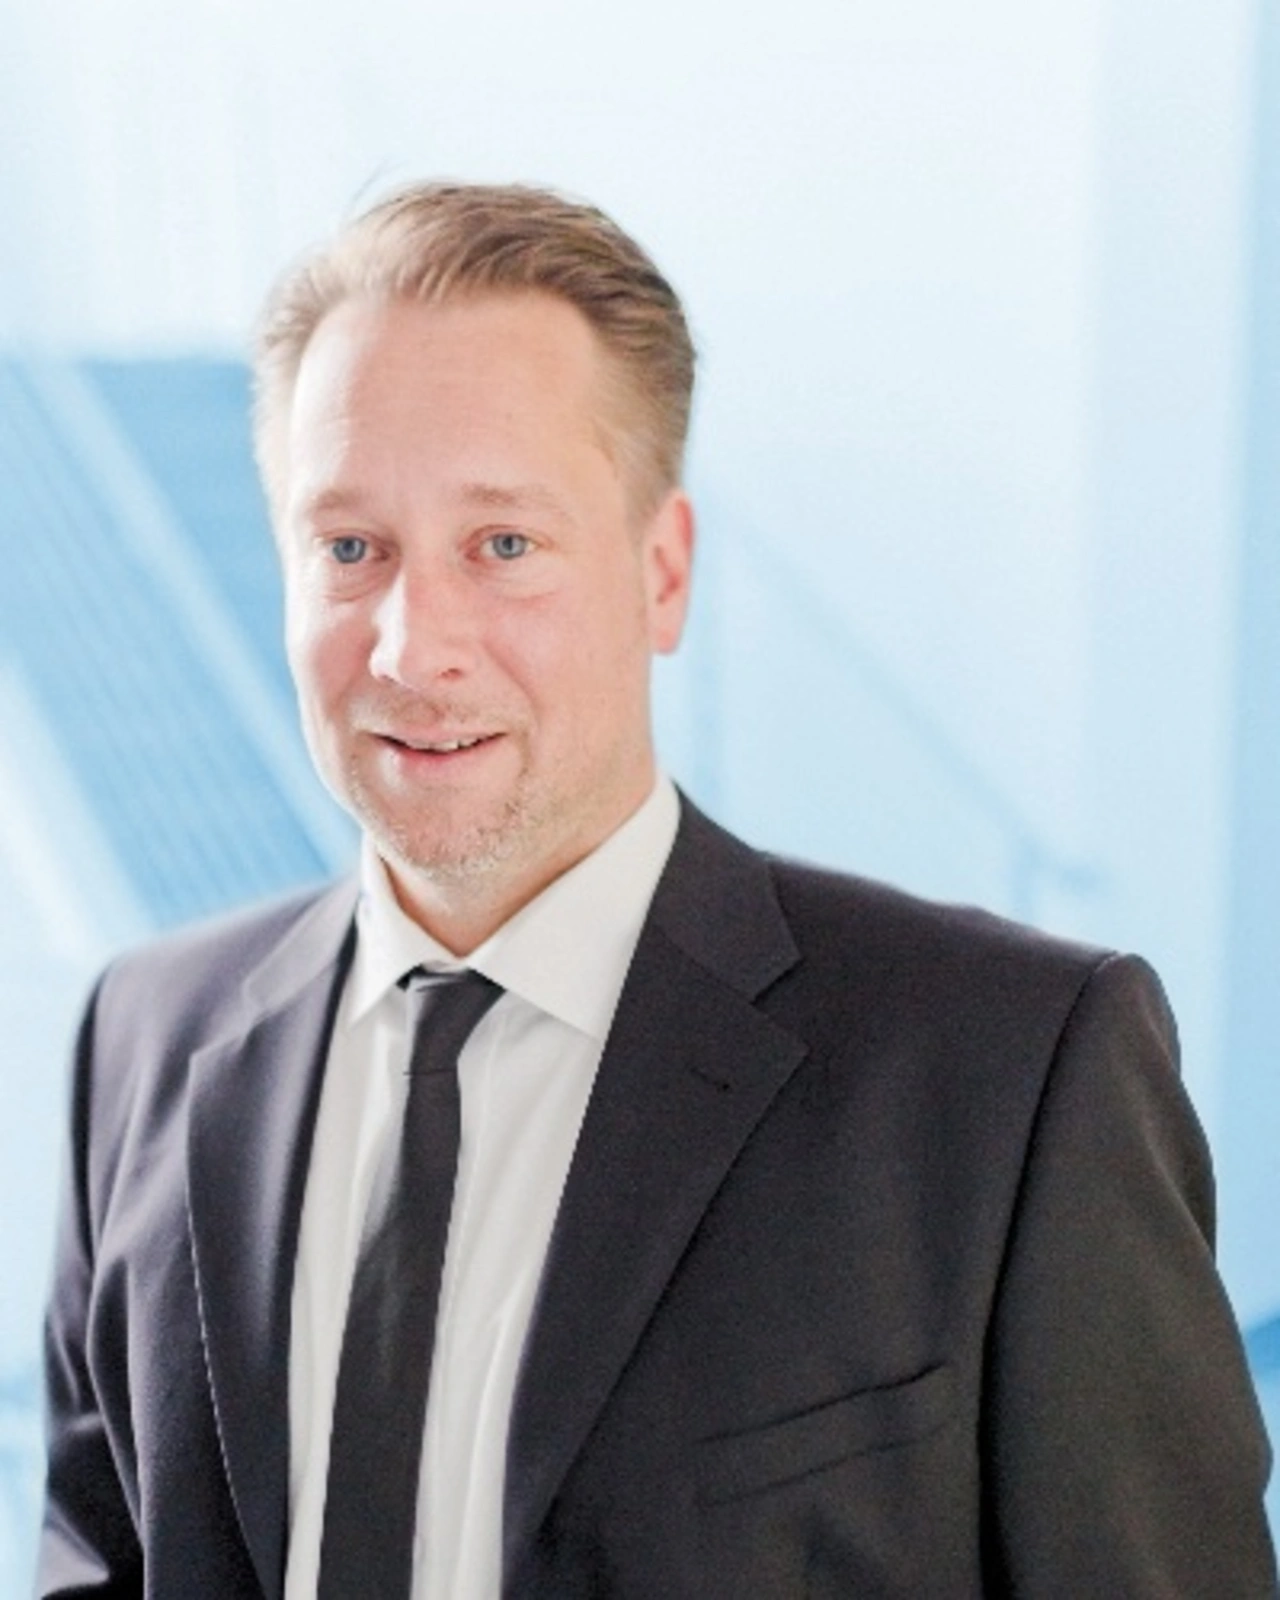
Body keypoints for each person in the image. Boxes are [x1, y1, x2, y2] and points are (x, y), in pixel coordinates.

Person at [37, 182, 1277, 1599]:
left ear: (663, 573)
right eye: (349, 548)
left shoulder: (1008, 1072)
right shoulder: (144, 1040)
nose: (412, 647)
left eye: (504, 545)